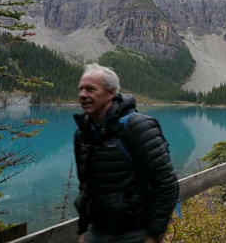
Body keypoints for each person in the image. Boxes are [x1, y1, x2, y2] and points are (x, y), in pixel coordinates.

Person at [73, 63, 179, 243]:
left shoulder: (137, 127)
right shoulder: (83, 134)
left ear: (110, 93)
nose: (83, 95)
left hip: (134, 234)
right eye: (81, 89)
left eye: (91, 89)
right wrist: (84, 230)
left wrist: (154, 234)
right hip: (96, 233)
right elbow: (85, 186)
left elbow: (167, 184)